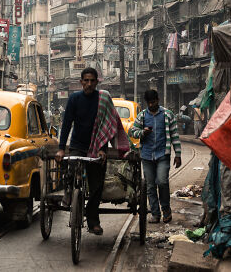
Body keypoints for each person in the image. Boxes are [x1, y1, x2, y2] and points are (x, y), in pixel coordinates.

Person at [56, 67, 127, 236]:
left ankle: (93, 221)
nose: (89, 84)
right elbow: (66, 125)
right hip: (77, 146)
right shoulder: (74, 99)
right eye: (86, 80)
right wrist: (60, 149)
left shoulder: (103, 99)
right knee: (70, 168)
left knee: (96, 185)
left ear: (97, 82)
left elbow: (109, 125)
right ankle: (68, 193)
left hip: (97, 148)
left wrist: (103, 150)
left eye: (92, 81)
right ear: (81, 82)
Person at [129, 89, 182, 224]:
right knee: (150, 186)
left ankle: (166, 210)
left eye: (153, 102)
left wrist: (178, 154)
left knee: (162, 182)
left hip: (163, 154)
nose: (152, 105)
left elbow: (175, 135)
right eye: (149, 103)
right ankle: (155, 213)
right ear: (146, 103)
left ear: (158, 100)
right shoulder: (142, 116)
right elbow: (132, 132)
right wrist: (142, 133)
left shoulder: (168, 115)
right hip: (146, 156)